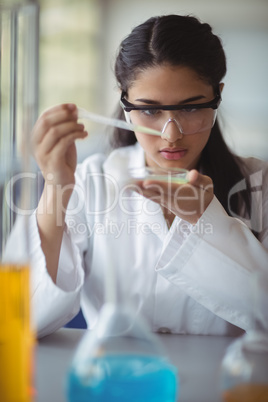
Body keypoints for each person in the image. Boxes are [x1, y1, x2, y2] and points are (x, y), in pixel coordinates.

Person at [26, 15, 268, 337]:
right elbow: (25, 318)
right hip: (115, 380)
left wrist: (208, 221)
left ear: (217, 96)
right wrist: (56, 188)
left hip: (226, 385)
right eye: (150, 110)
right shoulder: (92, 181)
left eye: (191, 108)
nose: (171, 135)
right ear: (125, 102)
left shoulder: (258, 185)